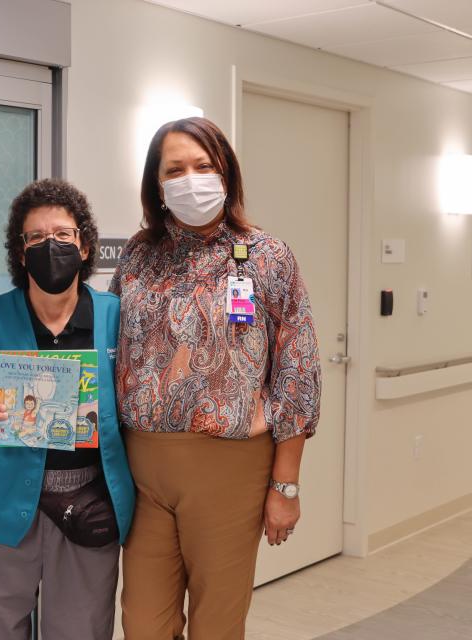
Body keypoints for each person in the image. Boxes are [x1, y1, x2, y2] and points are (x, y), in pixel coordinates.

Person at [110, 117, 322, 639]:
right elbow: (111, 347)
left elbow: (298, 372)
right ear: (157, 186)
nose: (191, 178)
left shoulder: (267, 256)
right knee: (142, 623)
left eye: (203, 166)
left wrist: (285, 485)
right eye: (175, 169)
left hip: (228, 469)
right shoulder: (138, 256)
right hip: (143, 470)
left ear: (226, 172)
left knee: (217, 626)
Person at [0, 178, 135, 640]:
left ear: (85, 245)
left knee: (81, 630)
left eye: (62, 235)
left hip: (89, 505)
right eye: (35, 237)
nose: (49, 245)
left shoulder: (117, 319)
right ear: (19, 253)